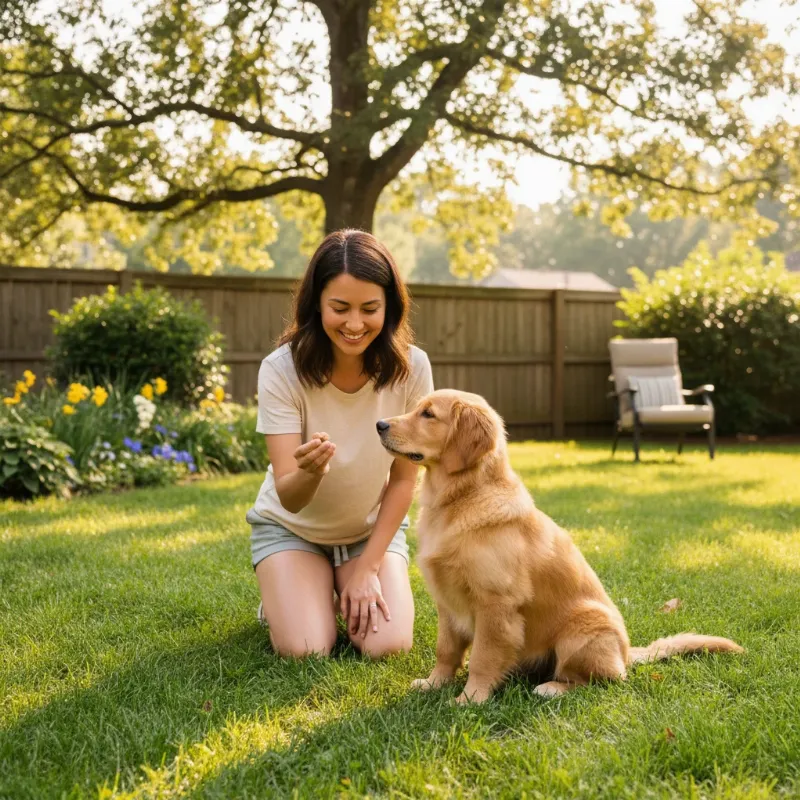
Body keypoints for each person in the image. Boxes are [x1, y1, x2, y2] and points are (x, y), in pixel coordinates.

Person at [247, 229, 434, 658]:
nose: (354, 324)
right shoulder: (281, 371)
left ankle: (331, 585)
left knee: (388, 646)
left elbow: (405, 482)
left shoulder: (412, 367)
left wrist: (369, 567)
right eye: (340, 308)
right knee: (306, 648)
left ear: (390, 308)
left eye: (370, 309)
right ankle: (290, 595)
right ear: (317, 304)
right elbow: (289, 498)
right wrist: (310, 472)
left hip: (367, 534)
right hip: (292, 530)